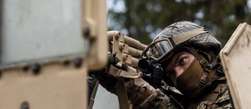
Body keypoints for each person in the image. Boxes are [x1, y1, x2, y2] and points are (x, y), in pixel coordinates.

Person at [94, 21, 233, 109]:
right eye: (170, 74)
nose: (178, 74)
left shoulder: (237, 85)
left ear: (204, 54)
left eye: (182, 61)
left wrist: (142, 93)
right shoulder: (182, 102)